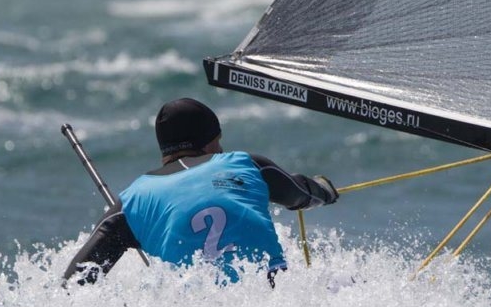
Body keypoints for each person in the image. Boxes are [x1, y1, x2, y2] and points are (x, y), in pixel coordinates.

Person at [63, 97, 338, 286]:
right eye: (218, 141)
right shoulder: (247, 164)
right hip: (273, 297)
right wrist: (325, 189)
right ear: (208, 143)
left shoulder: (133, 201)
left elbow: (74, 284)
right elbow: (302, 194)